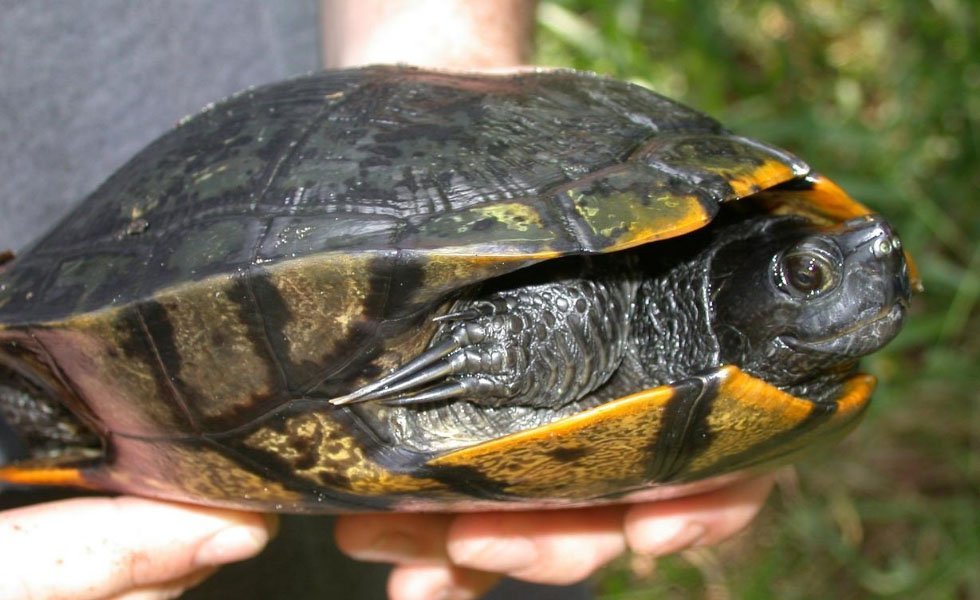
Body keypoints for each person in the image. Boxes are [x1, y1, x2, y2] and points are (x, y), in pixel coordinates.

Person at [0, 2, 774, 598]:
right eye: (808, 275)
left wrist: (452, 81)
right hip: (162, 254)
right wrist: (510, 338)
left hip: (463, 506)